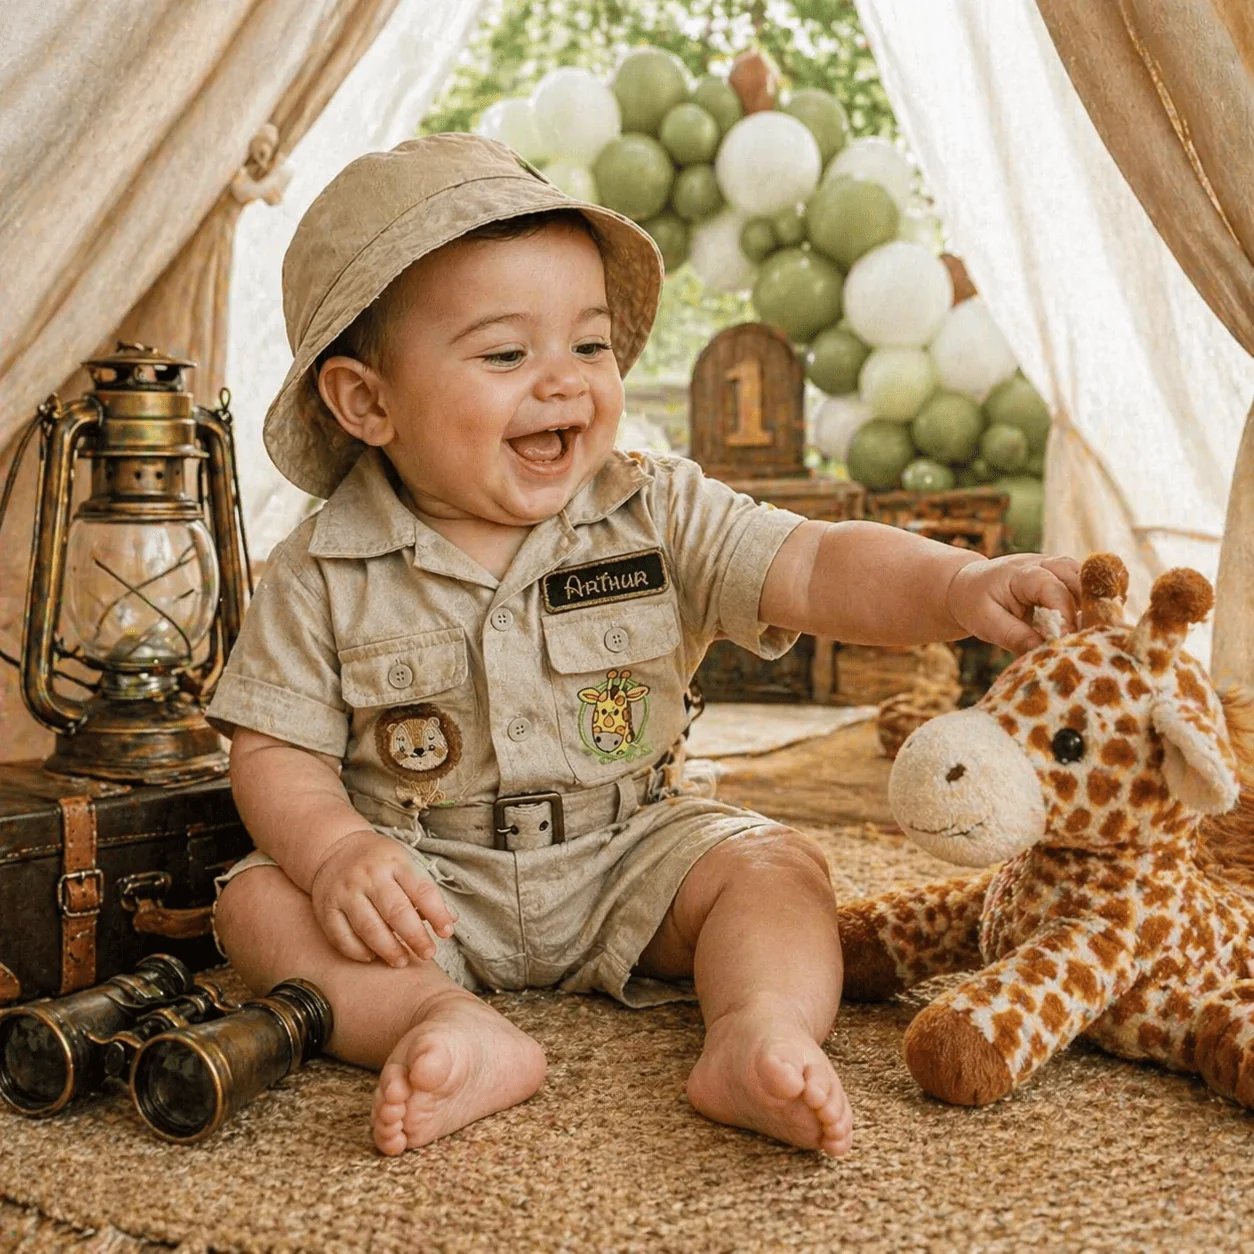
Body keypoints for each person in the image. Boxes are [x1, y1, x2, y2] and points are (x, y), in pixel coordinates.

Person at [207, 133, 1080, 1159]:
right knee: (260, 901)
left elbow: (816, 563)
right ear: (368, 401)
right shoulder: (319, 568)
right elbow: (274, 754)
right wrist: (341, 850)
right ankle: (438, 1023)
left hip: (630, 853)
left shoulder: (652, 510)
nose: (565, 384)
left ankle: (759, 1028)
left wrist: (960, 585)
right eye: (505, 354)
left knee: (776, 869)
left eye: (590, 346)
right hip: (423, 878)